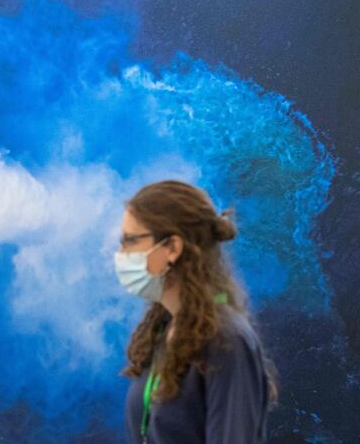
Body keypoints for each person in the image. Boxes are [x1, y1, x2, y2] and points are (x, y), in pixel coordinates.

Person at [114, 180, 279, 443]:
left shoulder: (227, 339)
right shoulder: (164, 330)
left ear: (172, 248)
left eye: (130, 241)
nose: (121, 255)